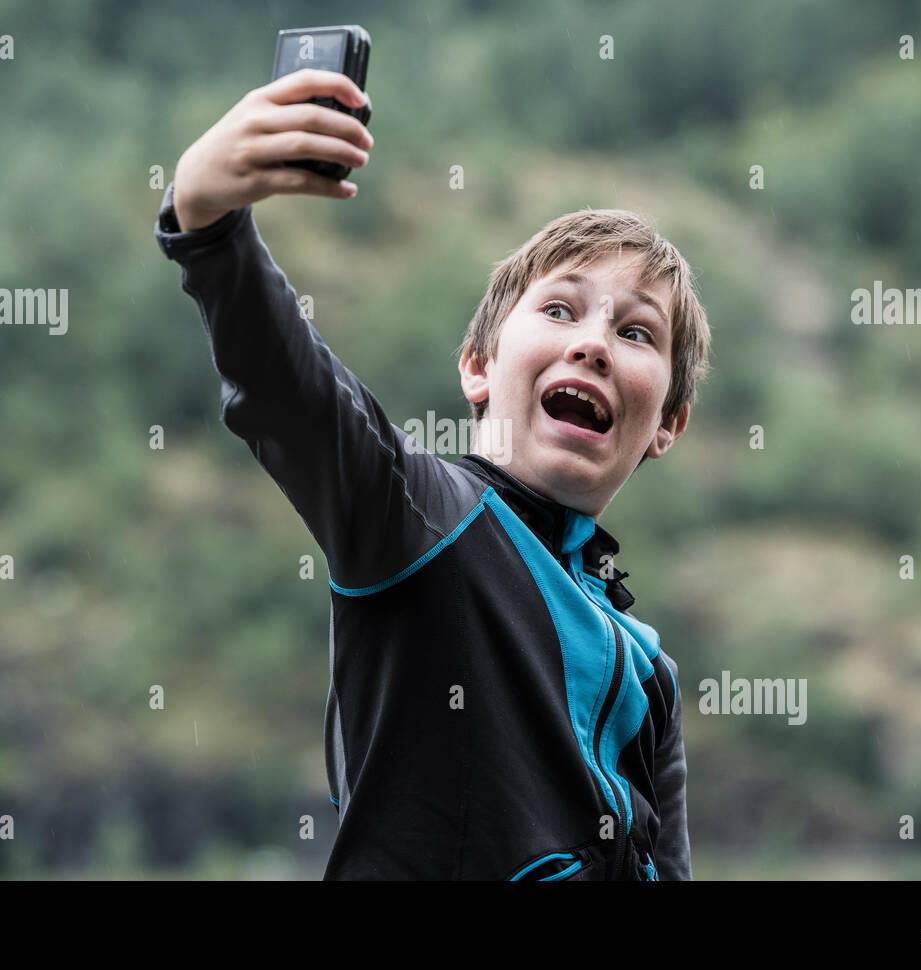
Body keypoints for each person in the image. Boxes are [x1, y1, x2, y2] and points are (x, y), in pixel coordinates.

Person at [154, 68, 711, 880]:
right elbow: (294, 394)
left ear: (666, 423)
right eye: (559, 309)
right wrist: (207, 227)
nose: (592, 342)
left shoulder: (649, 668)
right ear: (478, 364)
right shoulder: (417, 516)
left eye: (636, 332)